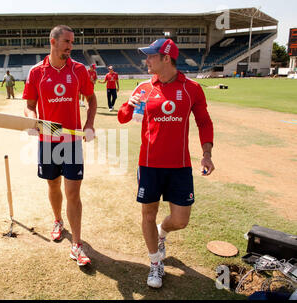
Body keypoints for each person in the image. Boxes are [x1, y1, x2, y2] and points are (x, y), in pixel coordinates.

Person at [117, 38, 215, 288]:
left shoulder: (192, 88)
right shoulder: (143, 87)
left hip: (180, 166)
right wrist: (129, 105)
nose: (146, 60)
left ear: (166, 59)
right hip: (149, 165)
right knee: (147, 214)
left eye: (151, 56)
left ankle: (163, 230)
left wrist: (207, 153)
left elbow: (204, 122)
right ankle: (155, 264)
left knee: (181, 220)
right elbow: (122, 118)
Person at [22, 25, 97, 266]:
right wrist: (32, 120)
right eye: (66, 42)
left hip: (72, 140)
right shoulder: (36, 72)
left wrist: (89, 123)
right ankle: (57, 220)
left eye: (72, 42)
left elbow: (91, 98)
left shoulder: (78, 70)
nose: (70, 46)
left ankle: (77, 245)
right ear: (52, 42)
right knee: (53, 185)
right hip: (48, 140)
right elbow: (30, 104)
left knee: (73, 193)